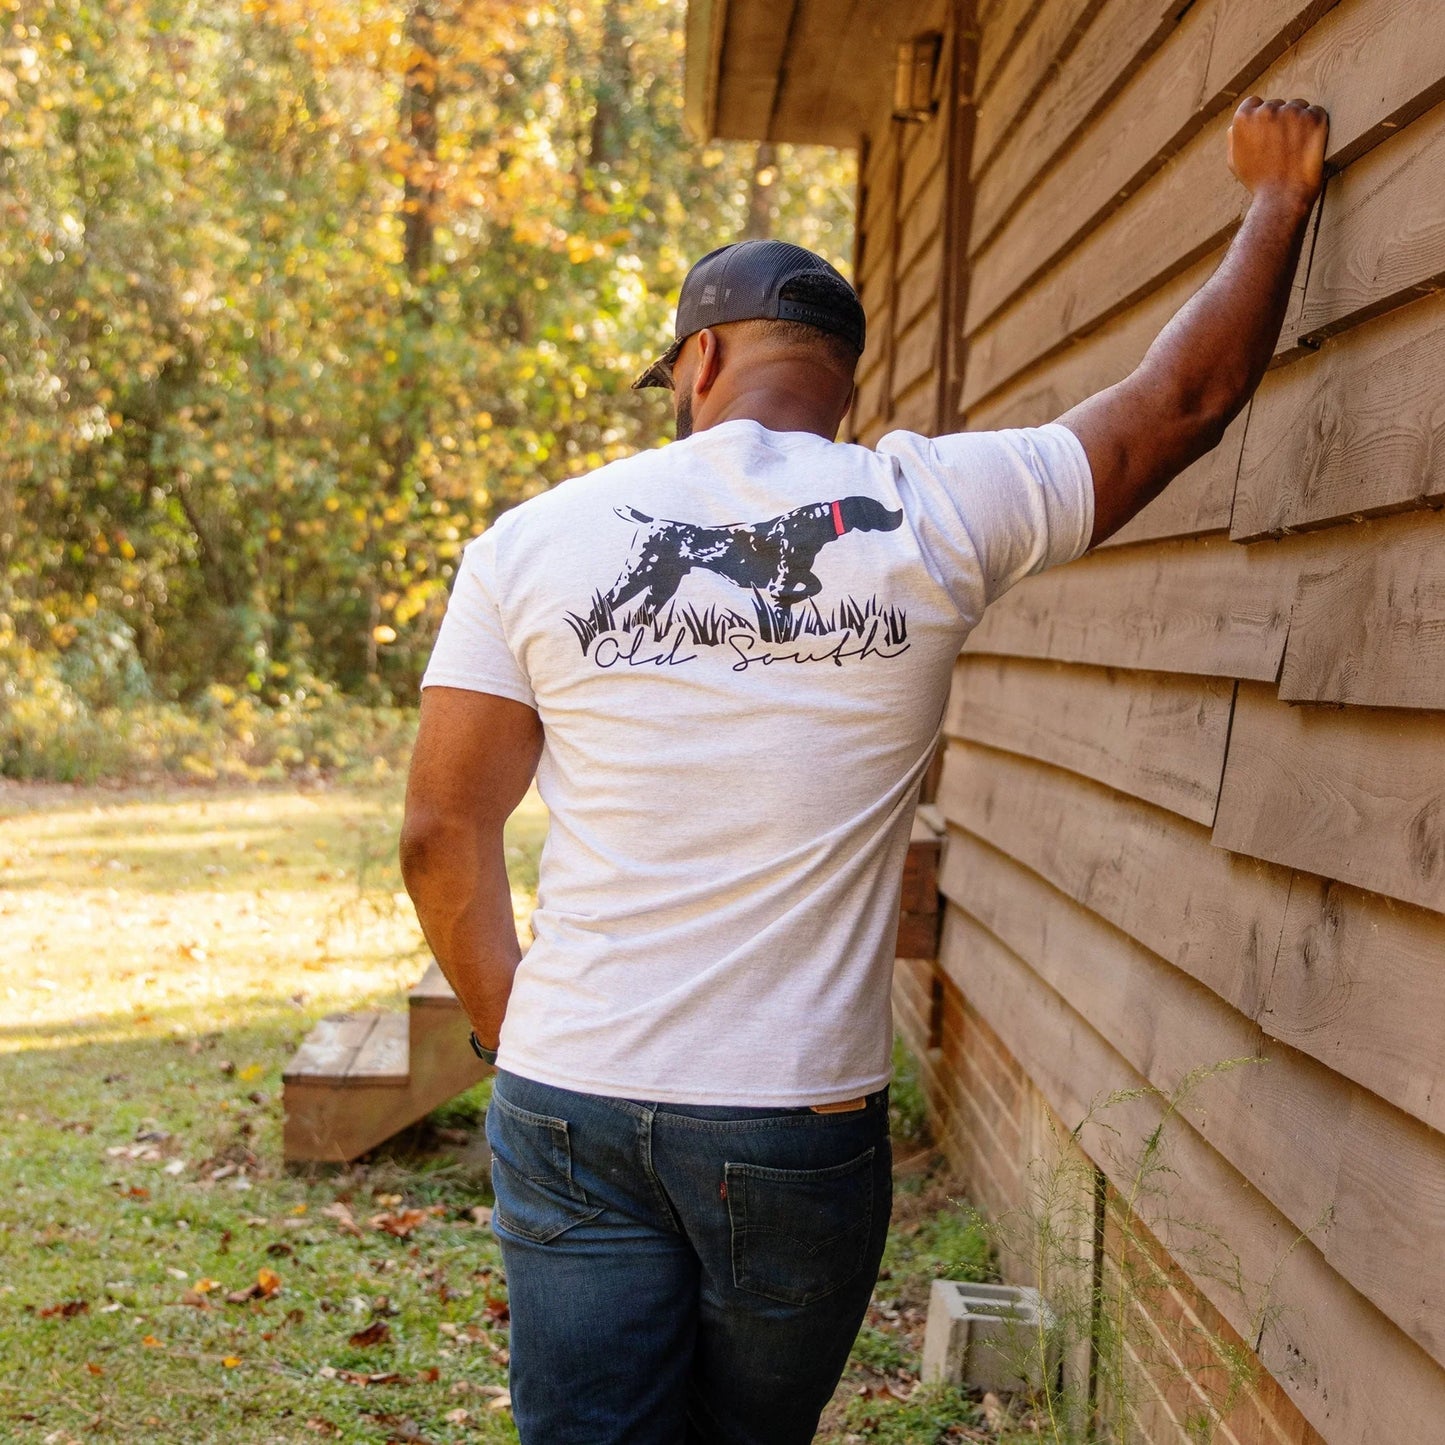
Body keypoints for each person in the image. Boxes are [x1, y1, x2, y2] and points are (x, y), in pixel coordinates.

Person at [400, 96, 1328, 1445]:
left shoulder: (532, 540)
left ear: (700, 358)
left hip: (574, 1094)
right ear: (842, 384)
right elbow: (1176, 406)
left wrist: (516, 1030)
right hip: (794, 1119)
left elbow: (442, 828)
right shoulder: (930, 505)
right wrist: (1276, 202)